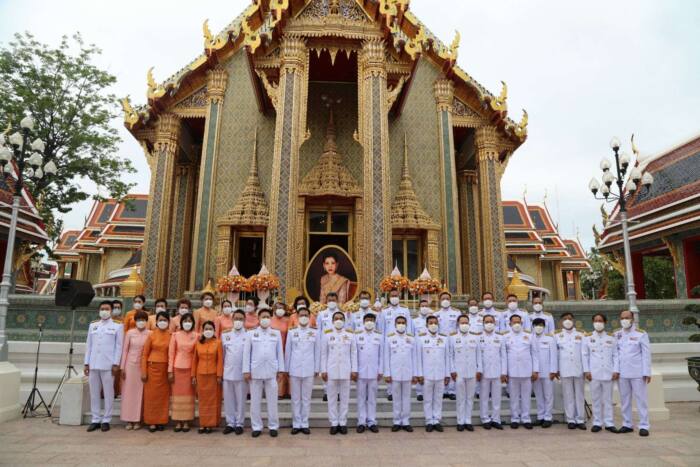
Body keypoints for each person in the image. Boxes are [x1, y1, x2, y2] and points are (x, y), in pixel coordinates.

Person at [243, 308, 285, 437]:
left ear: (270, 318)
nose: (265, 319)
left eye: (267, 317)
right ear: (259, 318)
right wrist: (246, 370)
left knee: (272, 401)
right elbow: (246, 353)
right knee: (255, 401)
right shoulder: (251, 333)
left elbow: (279, 352)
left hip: (271, 371)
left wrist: (281, 370)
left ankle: (273, 426)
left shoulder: (276, 333)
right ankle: (256, 426)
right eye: (263, 317)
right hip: (255, 371)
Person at [84, 301, 123, 432]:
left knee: (108, 393)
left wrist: (116, 363)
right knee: (94, 393)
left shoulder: (117, 325)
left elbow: (119, 347)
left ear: (111, 311)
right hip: (93, 363)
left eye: (107, 309)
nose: (104, 311)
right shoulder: (93, 325)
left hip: (108, 364)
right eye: (102, 309)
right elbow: (89, 345)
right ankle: (95, 419)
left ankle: (106, 419)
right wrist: (86, 363)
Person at [615, 310, 652, 437]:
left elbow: (646, 354)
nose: (624, 320)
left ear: (632, 319)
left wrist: (647, 372)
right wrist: (616, 370)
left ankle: (644, 425)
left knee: (641, 400)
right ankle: (627, 424)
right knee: (624, 400)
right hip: (622, 373)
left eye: (627, 317)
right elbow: (615, 354)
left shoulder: (641, 334)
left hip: (637, 373)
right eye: (622, 318)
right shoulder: (617, 334)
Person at [321, 311, 357, 435]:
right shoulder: (327, 334)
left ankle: (342, 422)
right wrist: (323, 370)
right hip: (331, 370)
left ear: (344, 321)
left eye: (341, 318)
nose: (338, 320)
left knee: (345, 398)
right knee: (331, 398)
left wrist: (354, 370)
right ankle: (334, 423)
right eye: (336, 318)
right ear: (332, 321)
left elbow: (353, 353)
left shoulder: (350, 334)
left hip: (346, 370)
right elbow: (324, 354)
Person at [285, 307, 320, 435]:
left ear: (309, 317)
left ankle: (304, 423)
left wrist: (317, 368)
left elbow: (317, 351)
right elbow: (288, 351)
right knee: (295, 398)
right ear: (298, 317)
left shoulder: (315, 332)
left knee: (306, 398)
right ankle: (296, 423)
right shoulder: (292, 332)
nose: (304, 317)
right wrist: (287, 368)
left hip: (309, 369)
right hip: (294, 368)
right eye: (301, 315)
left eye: (306, 315)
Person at [583, 313, 619, 433]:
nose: (598, 323)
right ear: (593, 322)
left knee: (608, 399)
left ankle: (609, 423)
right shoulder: (587, 337)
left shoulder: (611, 337)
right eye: (596, 321)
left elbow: (615, 355)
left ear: (605, 322)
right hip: (594, 373)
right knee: (596, 399)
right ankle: (597, 422)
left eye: (600, 321)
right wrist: (586, 371)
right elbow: (585, 355)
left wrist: (616, 370)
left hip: (608, 372)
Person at [503, 315, 539, 429]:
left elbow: (535, 354)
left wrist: (535, 370)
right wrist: (504, 372)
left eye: (518, 322)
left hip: (526, 371)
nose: (516, 324)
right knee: (513, 397)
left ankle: (526, 418)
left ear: (522, 323)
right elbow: (503, 356)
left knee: (526, 397)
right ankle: (514, 418)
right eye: (514, 322)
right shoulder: (505, 337)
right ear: (510, 324)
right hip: (512, 371)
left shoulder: (529, 336)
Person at [416, 315, 450, 432]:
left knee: (438, 399)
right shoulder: (421, 338)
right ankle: (429, 421)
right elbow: (418, 358)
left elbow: (447, 358)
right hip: (427, 375)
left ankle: (437, 420)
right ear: (426, 325)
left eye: (435, 323)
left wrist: (447, 375)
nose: (433, 325)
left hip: (440, 374)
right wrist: (419, 374)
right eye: (431, 323)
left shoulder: (444, 338)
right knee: (427, 399)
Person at [384, 315, 417, 432]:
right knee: (396, 398)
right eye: (399, 322)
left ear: (406, 325)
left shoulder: (411, 338)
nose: (401, 324)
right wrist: (387, 373)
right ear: (395, 324)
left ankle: (406, 421)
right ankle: (397, 421)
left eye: (403, 322)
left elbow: (414, 357)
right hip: (395, 373)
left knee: (406, 398)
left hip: (408, 372)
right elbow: (386, 357)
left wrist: (415, 374)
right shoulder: (389, 338)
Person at [141, 311, 172, 432]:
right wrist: (143, 371)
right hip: (152, 368)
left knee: (163, 397)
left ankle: (161, 421)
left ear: (168, 322)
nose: (162, 322)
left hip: (165, 369)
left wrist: (170, 371)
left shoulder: (171, 335)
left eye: (165, 320)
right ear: (156, 322)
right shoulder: (152, 335)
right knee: (151, 396)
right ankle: (151, 421)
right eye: (160, 320)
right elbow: (144, 354)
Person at [449, 314, 481, 431]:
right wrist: (452, 370)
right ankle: (460, 421)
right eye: (462, 323)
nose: (464, 325)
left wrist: (479, 370)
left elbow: (478, 355)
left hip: (472, 372)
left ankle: (468, 420)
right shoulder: (452, 338)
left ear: (469, 324)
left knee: (470, 397)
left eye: (466, 323)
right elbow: (450, 355)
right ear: (458, 324)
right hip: (459, 372)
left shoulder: (475, 337)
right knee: (460, 398)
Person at [120, 310, 150, 430]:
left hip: (143, 366)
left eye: (143, 320)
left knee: (140, 393)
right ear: (135, 321)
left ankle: (138, 420)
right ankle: (129, 419)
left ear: (146, 321)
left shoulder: (150, 333)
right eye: (138, 320)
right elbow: (125, 350)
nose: (141, 322)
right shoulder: (130, 333)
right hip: (130, 365)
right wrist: (122, 367)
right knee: (128, 392)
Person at [555, 312, 586, 430]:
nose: (567, 321)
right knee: (568, 395)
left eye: (570, 319)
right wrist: (556, 369)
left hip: (579, 368)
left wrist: (586, 369)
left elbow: (584, 354)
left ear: (573, 321)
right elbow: (555, 354)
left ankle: (580, 419)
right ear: (561, 322)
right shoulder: (556, 335)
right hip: (564, 368)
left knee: (579, 395)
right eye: (565, 319)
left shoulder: (581, 334)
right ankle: (570, 419)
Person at [192, 320, 223, 434]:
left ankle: (210, 424)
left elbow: (220, 360)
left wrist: (219, 375)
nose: (208, 331)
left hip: (213, 375)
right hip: (200, 375)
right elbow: (195, 360)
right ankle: (203, 423)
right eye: (206, 329)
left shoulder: (218, 343)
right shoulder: (198, 343)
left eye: (210, 329)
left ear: (214, 331)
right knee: (202, 400)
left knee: (212, 400)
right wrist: (193, 375)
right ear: (202, 331)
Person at [168, 313, 197, 432]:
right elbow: (171, 354)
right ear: (181, 323)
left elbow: (197, 355)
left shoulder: (197, 336)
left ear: (193, 323)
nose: (187, 323)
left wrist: (195, 373)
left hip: (190, 369)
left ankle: (186, 421)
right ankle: (178, 421)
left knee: (188, 396)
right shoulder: (175, 335)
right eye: (185, 321)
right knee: (177, 396)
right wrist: (170, 370)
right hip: (177, 368)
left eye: (189, 321)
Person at [355, 312, 383, 433]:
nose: (369, 322)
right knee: (361, 398)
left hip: (374, 371)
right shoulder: (357, 335)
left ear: (375, 322)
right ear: (363, 322)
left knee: (372, 398)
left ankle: (371, 421)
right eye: (367, 320)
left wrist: (381, 370)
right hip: (360, 372)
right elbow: (354, 354)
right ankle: (361, 421)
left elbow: (381, 355)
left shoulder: (379, 336)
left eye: (371, 320)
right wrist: (354, 370)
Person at [222, 309, 247, 435]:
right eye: (236, 318)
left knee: (241, 399)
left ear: (244, 320)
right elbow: (223, 354)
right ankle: (230, 423)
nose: (238, 321)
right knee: (228, 399)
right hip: (228, 371)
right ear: (232, 320)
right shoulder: (225, 335)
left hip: (242, 373)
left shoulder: (248, 335)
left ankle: (239, 423)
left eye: (240, 319)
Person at [479, 314, 506, 430]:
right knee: (484, 397)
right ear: (483, 323)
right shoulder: (478, 337)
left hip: (497, 371)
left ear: (495, 323)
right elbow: (478, 356)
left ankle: (496, 419)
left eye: (491, 321)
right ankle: (485, 418)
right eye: (486, 322)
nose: (489, 324)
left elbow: (503, 356)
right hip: (484, 372)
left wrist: (504, 372)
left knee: (496, 397)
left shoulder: (500, 337)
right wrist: (479, 370)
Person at [531, 317, 558, 428]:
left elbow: (554, 356)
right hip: (535, 373)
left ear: (544, 327)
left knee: (548, 396)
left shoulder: (550, 339)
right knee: (539, 396)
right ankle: (540, 416)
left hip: (547, 372)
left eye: (541, 325)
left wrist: (553, 371)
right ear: (533, 327)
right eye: (536, 325)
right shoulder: (530, 338)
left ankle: (548, 417)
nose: (539, 327)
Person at [413, 298, 432, 402]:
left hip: (430, 347)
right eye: (422, 306)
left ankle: (428, 391)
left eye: (426, 306)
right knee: (419, 369)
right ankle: (419, 392)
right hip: (418, 348)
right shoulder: (414, 321)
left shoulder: (432, 320)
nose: (424, 308)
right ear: (419, 307)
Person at [271, 301, 290, 399]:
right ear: (274, 309)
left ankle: (287, 391)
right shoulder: (270, 320)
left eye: (282, 308)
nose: (280, 310)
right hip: (272, 349)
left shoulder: (287, 320)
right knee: (275, 370)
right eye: (278, 308)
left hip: (285, 347)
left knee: (285, 370)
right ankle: (278, 392)